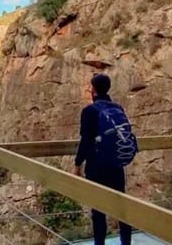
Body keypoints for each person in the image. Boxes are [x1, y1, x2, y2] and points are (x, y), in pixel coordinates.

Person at [72, 73, 133, 245]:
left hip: (96, 166)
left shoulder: (89, 111)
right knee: (122, 207)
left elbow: (85, 140)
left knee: (98, 211)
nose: (89, 89)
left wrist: (77, 164)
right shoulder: (118, 108)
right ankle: (126, 243)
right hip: (116, 164)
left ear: (94, 90)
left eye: (91, 87)